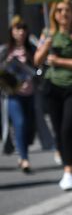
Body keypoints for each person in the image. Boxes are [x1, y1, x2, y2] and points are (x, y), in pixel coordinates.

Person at [34, 0, 72, 190]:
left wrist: (60, 62)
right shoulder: (47, 33)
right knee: (58, 129)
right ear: (54, 14)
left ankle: (69, 171)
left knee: (67, 128)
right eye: (59, 10)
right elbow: (37, 60)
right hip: (52, 87)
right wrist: (47, 45)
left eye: (67, 10)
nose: (63, 13)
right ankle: (64, 154)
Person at [0, 15, 36, 173]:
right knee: (19, 124)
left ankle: (23, 151)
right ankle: (24, 158)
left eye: (23, 29)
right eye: (17, 29)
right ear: (12, 31)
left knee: (29, 128)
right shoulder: (5, 50)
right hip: (13, 95)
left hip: (31, 93)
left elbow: (40, 68)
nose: (20, 32)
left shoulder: (32, 49)